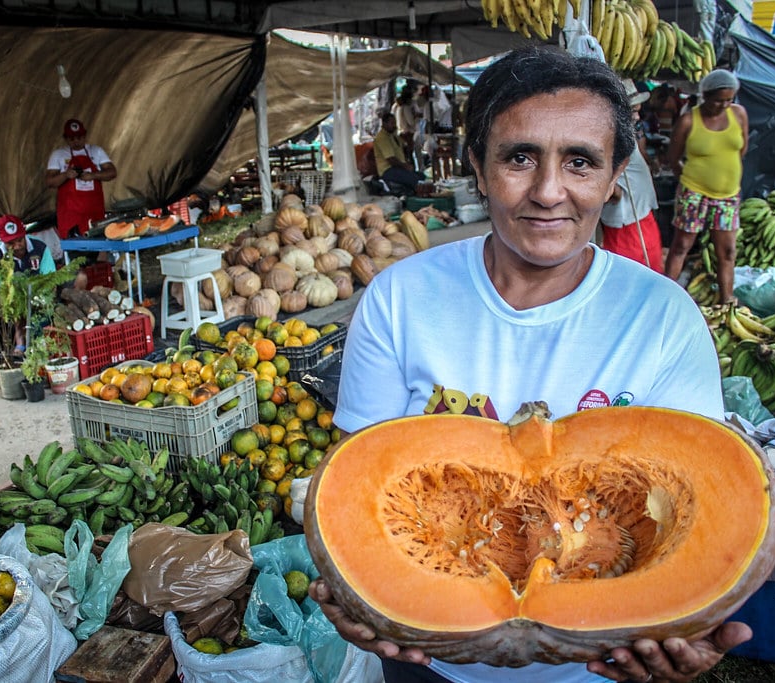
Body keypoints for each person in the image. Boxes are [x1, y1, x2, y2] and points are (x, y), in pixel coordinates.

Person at [310, 47, 750, 683]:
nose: (549, 191)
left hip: (600, 666)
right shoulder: (398, 299)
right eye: (520, 157)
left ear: (615, 176)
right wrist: (360, 588)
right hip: (428, 663)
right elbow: (359, 496)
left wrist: (678, 617)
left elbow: (696, 508)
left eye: (580, 161)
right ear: (478, 170)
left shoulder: (664, 316)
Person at [664, 69, 749, 304]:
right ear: (705, 96)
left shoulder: (739, 115)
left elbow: (742, 148)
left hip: (728, 195)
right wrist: (691, 181)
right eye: (718, 100)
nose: (723, 105)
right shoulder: (689, 120)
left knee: (728, 252)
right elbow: (673, 157)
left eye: (729, 100)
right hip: (694, 193)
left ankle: (726, 300)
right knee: (681, 245)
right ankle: (665, 297)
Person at [599, 79, 664, 272]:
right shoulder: (609, 137)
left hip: (640, 212)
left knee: (650, 266)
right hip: (626, 218)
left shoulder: (627, 132)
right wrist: (616, 194)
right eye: (633, 110)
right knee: (631, 272)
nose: (637, 116)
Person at [0, 214, 57, 353]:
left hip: (38, 296)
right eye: (11, 243)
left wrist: (43, 302)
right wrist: (8, 306)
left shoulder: (39, 248)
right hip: (13, 302)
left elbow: (51, 281)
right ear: (2, 241)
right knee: (16, 302)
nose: (17, 246)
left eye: (20, 240)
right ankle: (20, 338)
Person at [44, 118, 117, 245]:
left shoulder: (96, 151)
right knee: (74, 246)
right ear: (66, 139)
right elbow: (50, 181)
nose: (76, 141)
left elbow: (112, 172)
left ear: (85, 136)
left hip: (94, 210)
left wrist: (93, 175)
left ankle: (102, 264)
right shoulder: (59, 155)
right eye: (72, 139)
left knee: (100, 243)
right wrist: (66, 175)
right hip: (70, 213)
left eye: (79, 137)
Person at [373, 112, 425, 195]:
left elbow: (403, 145)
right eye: (392, 123)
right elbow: (391, 159)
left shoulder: (393, 135)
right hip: (388, 170)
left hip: (397, 167)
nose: (394, 125)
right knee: (414, 180)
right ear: (384, 123)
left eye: (395, 123)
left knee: (421, 176)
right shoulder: (382, 138)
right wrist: (405, 166)